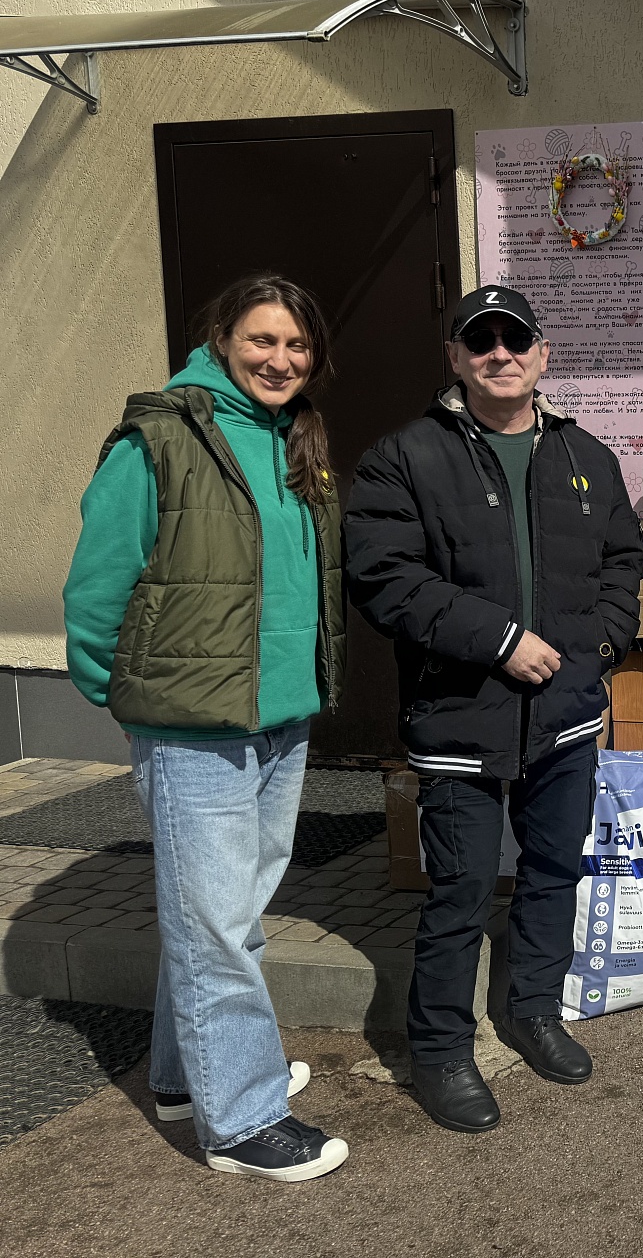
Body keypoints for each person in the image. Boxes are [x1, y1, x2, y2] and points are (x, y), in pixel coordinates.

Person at [62, 274, 349, 1181]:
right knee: (216, 924)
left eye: (297, 346)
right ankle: (243, 1122)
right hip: (194, 727)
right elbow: (97, 583)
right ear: (221, 338)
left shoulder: (294, 437)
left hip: (279, 716)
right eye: (262, 340)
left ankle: (189, 1076)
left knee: (222, 913)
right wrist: (131, 694)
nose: (280, 360)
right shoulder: (159, 438)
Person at [343, 285, 643, 1134]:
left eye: (517, 340)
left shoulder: (585, 455)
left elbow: (624, 557)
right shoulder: (403, 458)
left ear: (543, 356)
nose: (500, 354)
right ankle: (441, 1050)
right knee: (462, 887)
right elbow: (384, 576)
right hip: (458, 715)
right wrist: (500, 638)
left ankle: (534, 1010)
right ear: (455, 359)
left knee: (554, 870)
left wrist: (605, 644)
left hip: (567, 712)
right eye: (481, 342)